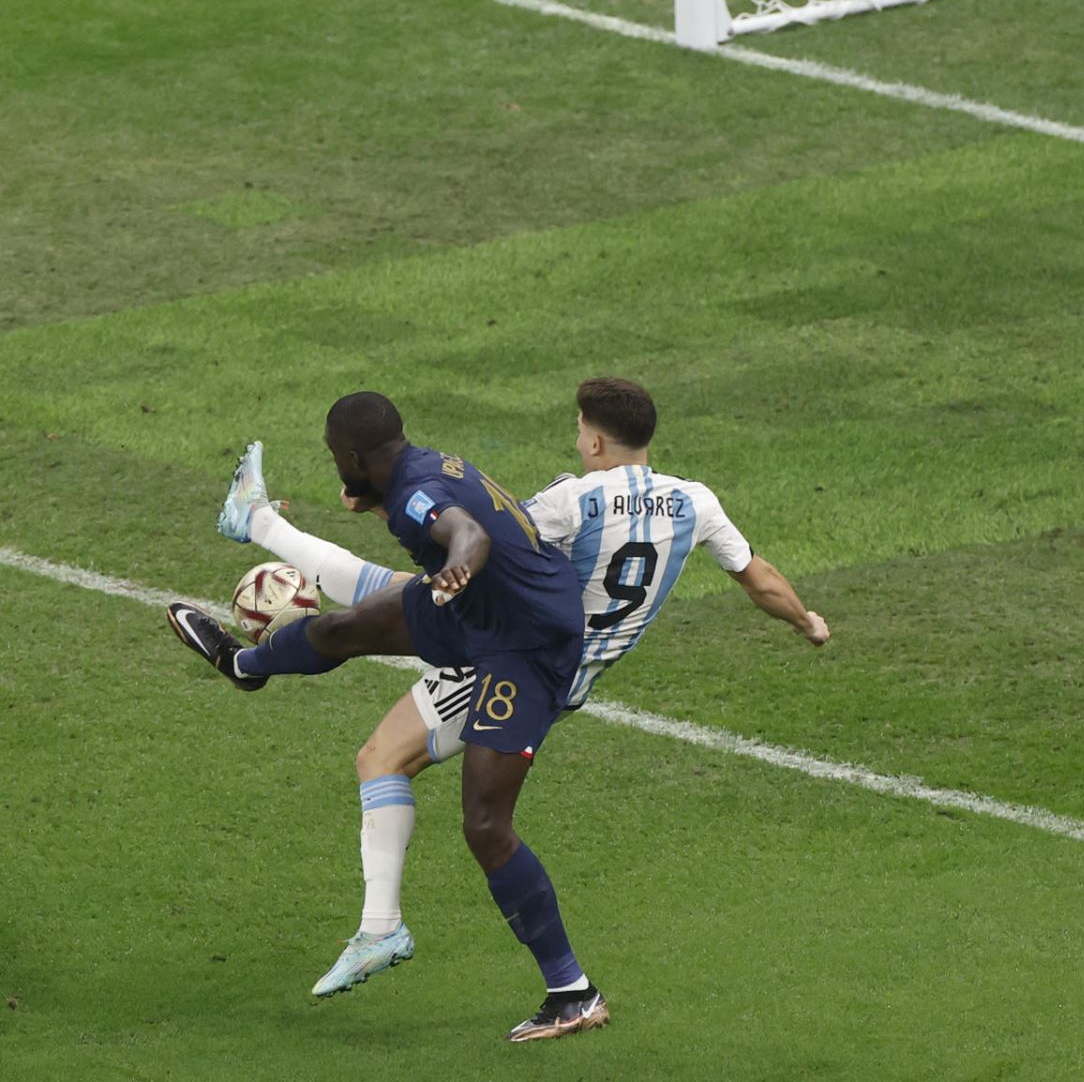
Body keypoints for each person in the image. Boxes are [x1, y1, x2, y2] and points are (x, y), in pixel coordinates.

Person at [206, 379, 830, 1007]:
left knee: (400, 739)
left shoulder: (574, 498)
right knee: (384, 667)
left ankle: (500, 967)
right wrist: (807, 622)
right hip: (559, 665)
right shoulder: (698, 504)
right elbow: (761, 580)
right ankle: (254, 530)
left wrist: (419, 527)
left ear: (593, 438)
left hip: (516, 661)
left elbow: (496, 539)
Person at [167, 391, 606, 1042]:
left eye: (332, 457)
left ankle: (574, 994)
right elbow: (436, 511)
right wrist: (378, 507)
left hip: (528, 647)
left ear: (351, 454)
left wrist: (456, 569)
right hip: (493, 609)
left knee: (486, 825)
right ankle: (245, 663)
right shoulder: (422, 467)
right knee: (346, 627)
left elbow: (468, 534)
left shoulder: (413, 496)